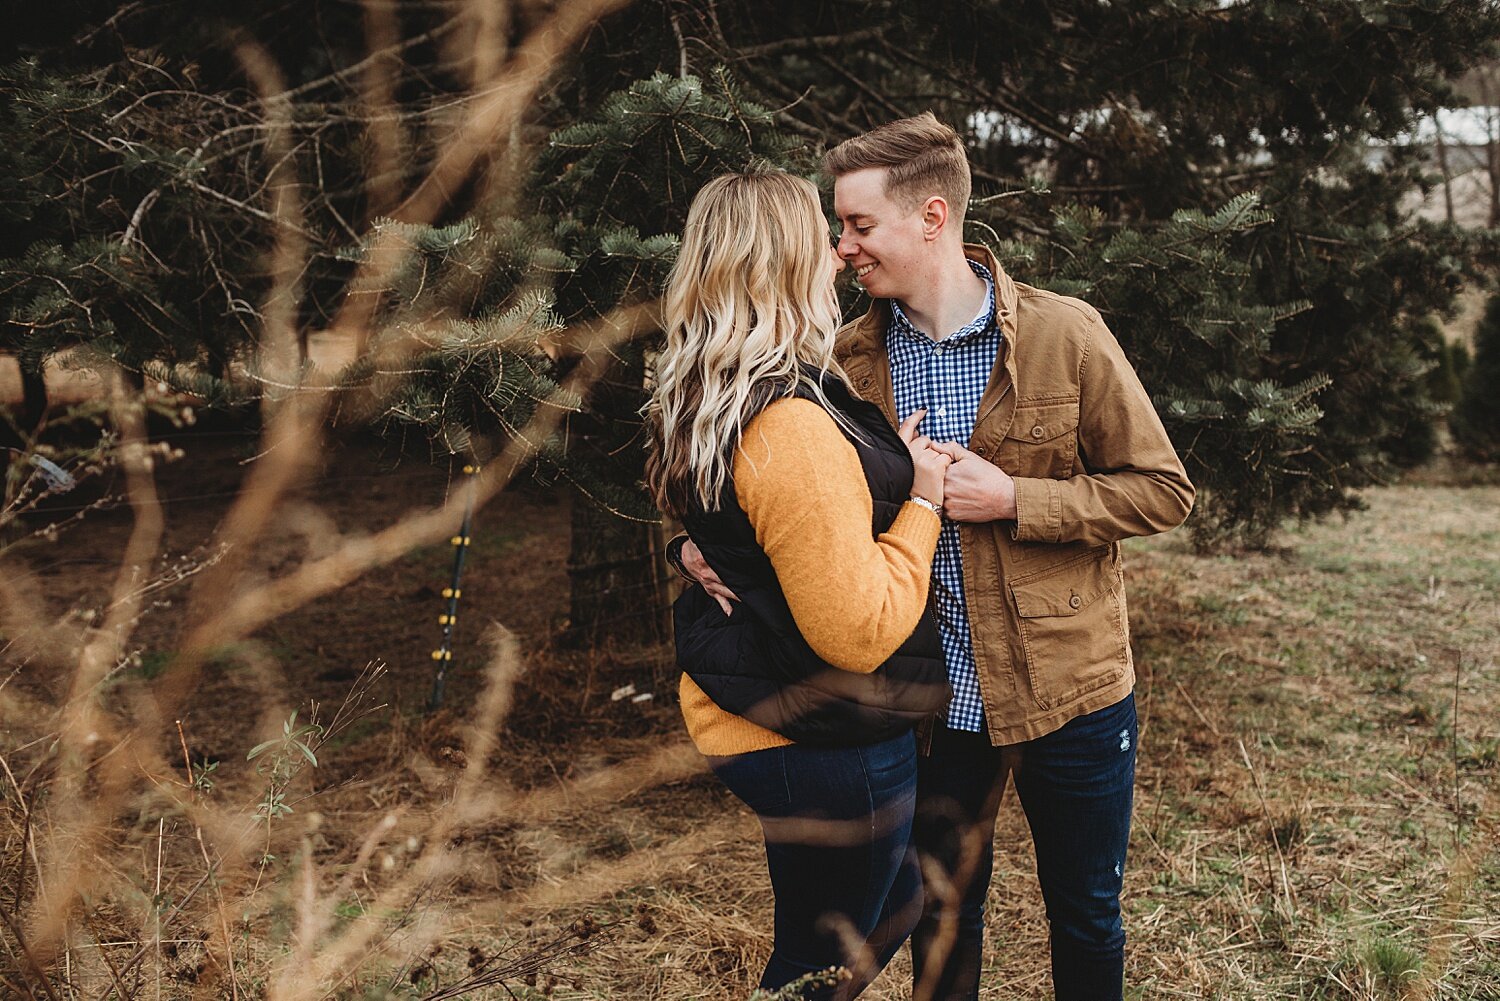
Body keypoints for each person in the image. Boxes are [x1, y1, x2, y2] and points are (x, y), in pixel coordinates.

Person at [678, 115, 1195, 1001]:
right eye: (837, 229)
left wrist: (1016, 500)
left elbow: (1162, 489)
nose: (842, 249)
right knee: (944, 919)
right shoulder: (842, 362)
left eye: (858, 226)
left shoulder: (1065, 336)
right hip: (930, 707)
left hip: (1069, 688)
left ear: (931, 215)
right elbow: (763, 481)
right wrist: (693, 543)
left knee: (1087, 911)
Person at [646, 169, 958, 1000]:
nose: (836, 252)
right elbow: (855, 631)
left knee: (887, 904)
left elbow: (740, 529)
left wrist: (690, 549)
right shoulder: (788, 424)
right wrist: (922, 499)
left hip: (772, 712)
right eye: (820, 237)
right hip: (822, 734)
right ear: (784, 261)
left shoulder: (705, 388)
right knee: (817, 965)